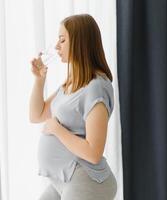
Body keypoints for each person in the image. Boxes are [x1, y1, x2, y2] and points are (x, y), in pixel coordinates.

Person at [29, 14, 117, 200]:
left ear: (80, 42)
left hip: (86, 180)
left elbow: (94, 153)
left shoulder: (96, 88)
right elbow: (36, 115)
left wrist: (57, 129)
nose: (56, 46)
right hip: (64, 180)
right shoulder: (72, 83)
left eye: (62, 40)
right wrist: (39, 81)